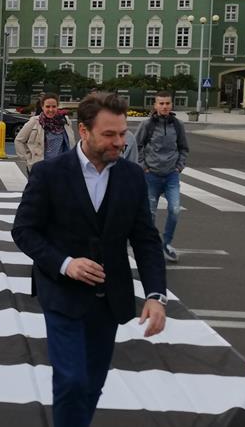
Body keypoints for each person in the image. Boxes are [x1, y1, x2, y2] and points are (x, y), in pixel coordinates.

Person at [12, 92, 167, 427]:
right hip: (61, 294)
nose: (120, 142)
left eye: (122, 133)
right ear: (83, 131)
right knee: (71, 381)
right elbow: (24, 231)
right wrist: (66, 263)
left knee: (92, 384)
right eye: (109, 134)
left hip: (109, 299)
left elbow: (145, 239)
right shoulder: (49, 173)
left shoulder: (131, 176)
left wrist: (156, 294)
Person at [134, 91, 189, 263]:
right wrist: (144, 167)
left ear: (171, 105)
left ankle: (166, 244)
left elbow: (183, 147)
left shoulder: (178, 125)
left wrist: (179, 167)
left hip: (171, 175)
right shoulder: (147, 125)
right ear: (155, 105)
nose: (165, 106)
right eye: (161, 103)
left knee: (175, 210)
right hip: (151, 176)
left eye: (167, 103)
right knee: (150, 215)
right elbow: (137, 145)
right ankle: (151, 247)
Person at [14, 92, 76, 172]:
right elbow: (19, 140)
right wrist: (28, 158)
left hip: (60, 168)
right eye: (47, 106)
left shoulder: (65, 121)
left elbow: (71, 143)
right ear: (42, 107)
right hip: (40, 167)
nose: (51, 110)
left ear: (57, 107)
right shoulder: (35, 121)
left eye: (54, 106)